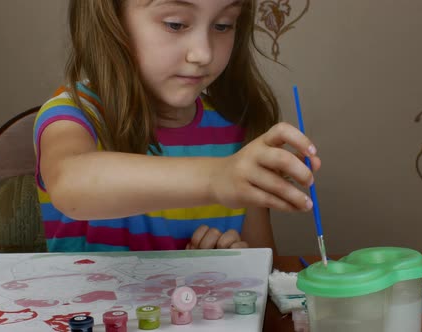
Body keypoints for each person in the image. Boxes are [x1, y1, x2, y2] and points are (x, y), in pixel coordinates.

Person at [34, 0, 321, 253]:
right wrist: (218, 177)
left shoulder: (237, 134)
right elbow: (70, 183)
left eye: (223, 25)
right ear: (112, 19)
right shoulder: (73, 115)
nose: (203, 54)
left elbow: (262, 265)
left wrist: (232, 264)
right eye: (176, 24)